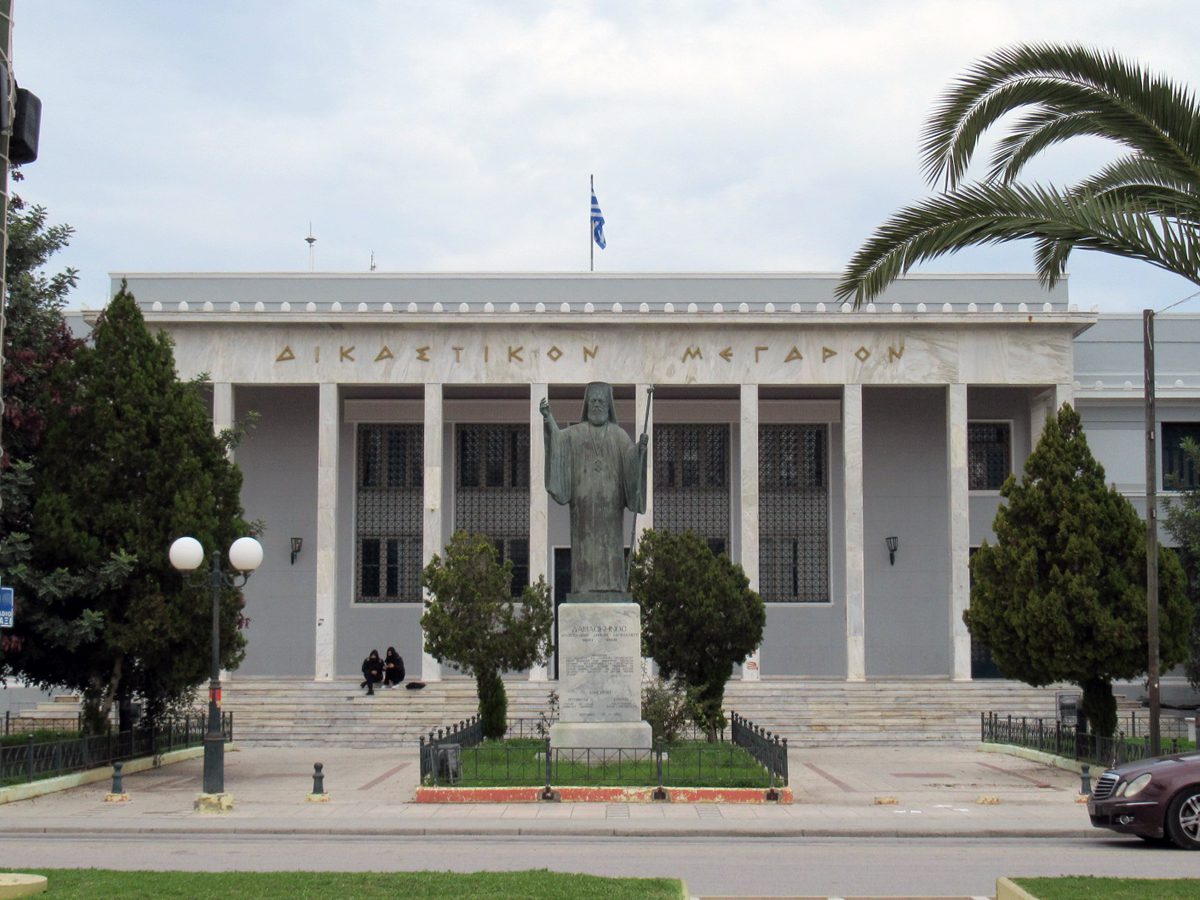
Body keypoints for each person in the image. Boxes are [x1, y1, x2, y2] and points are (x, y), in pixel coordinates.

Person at [541, 382, 648, 597]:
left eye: (601, 401)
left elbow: (630, 461)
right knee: (584, 550)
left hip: (611, 511)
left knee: (611, 551)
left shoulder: (618, 435)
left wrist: (639, 450)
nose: (597, 405)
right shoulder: (576, 433)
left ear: (609, 406)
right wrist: (548, 417)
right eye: (593, 401)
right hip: (583, 511)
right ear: (587, 405)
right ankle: (584, 589)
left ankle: (614, 588)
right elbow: (558, 441)